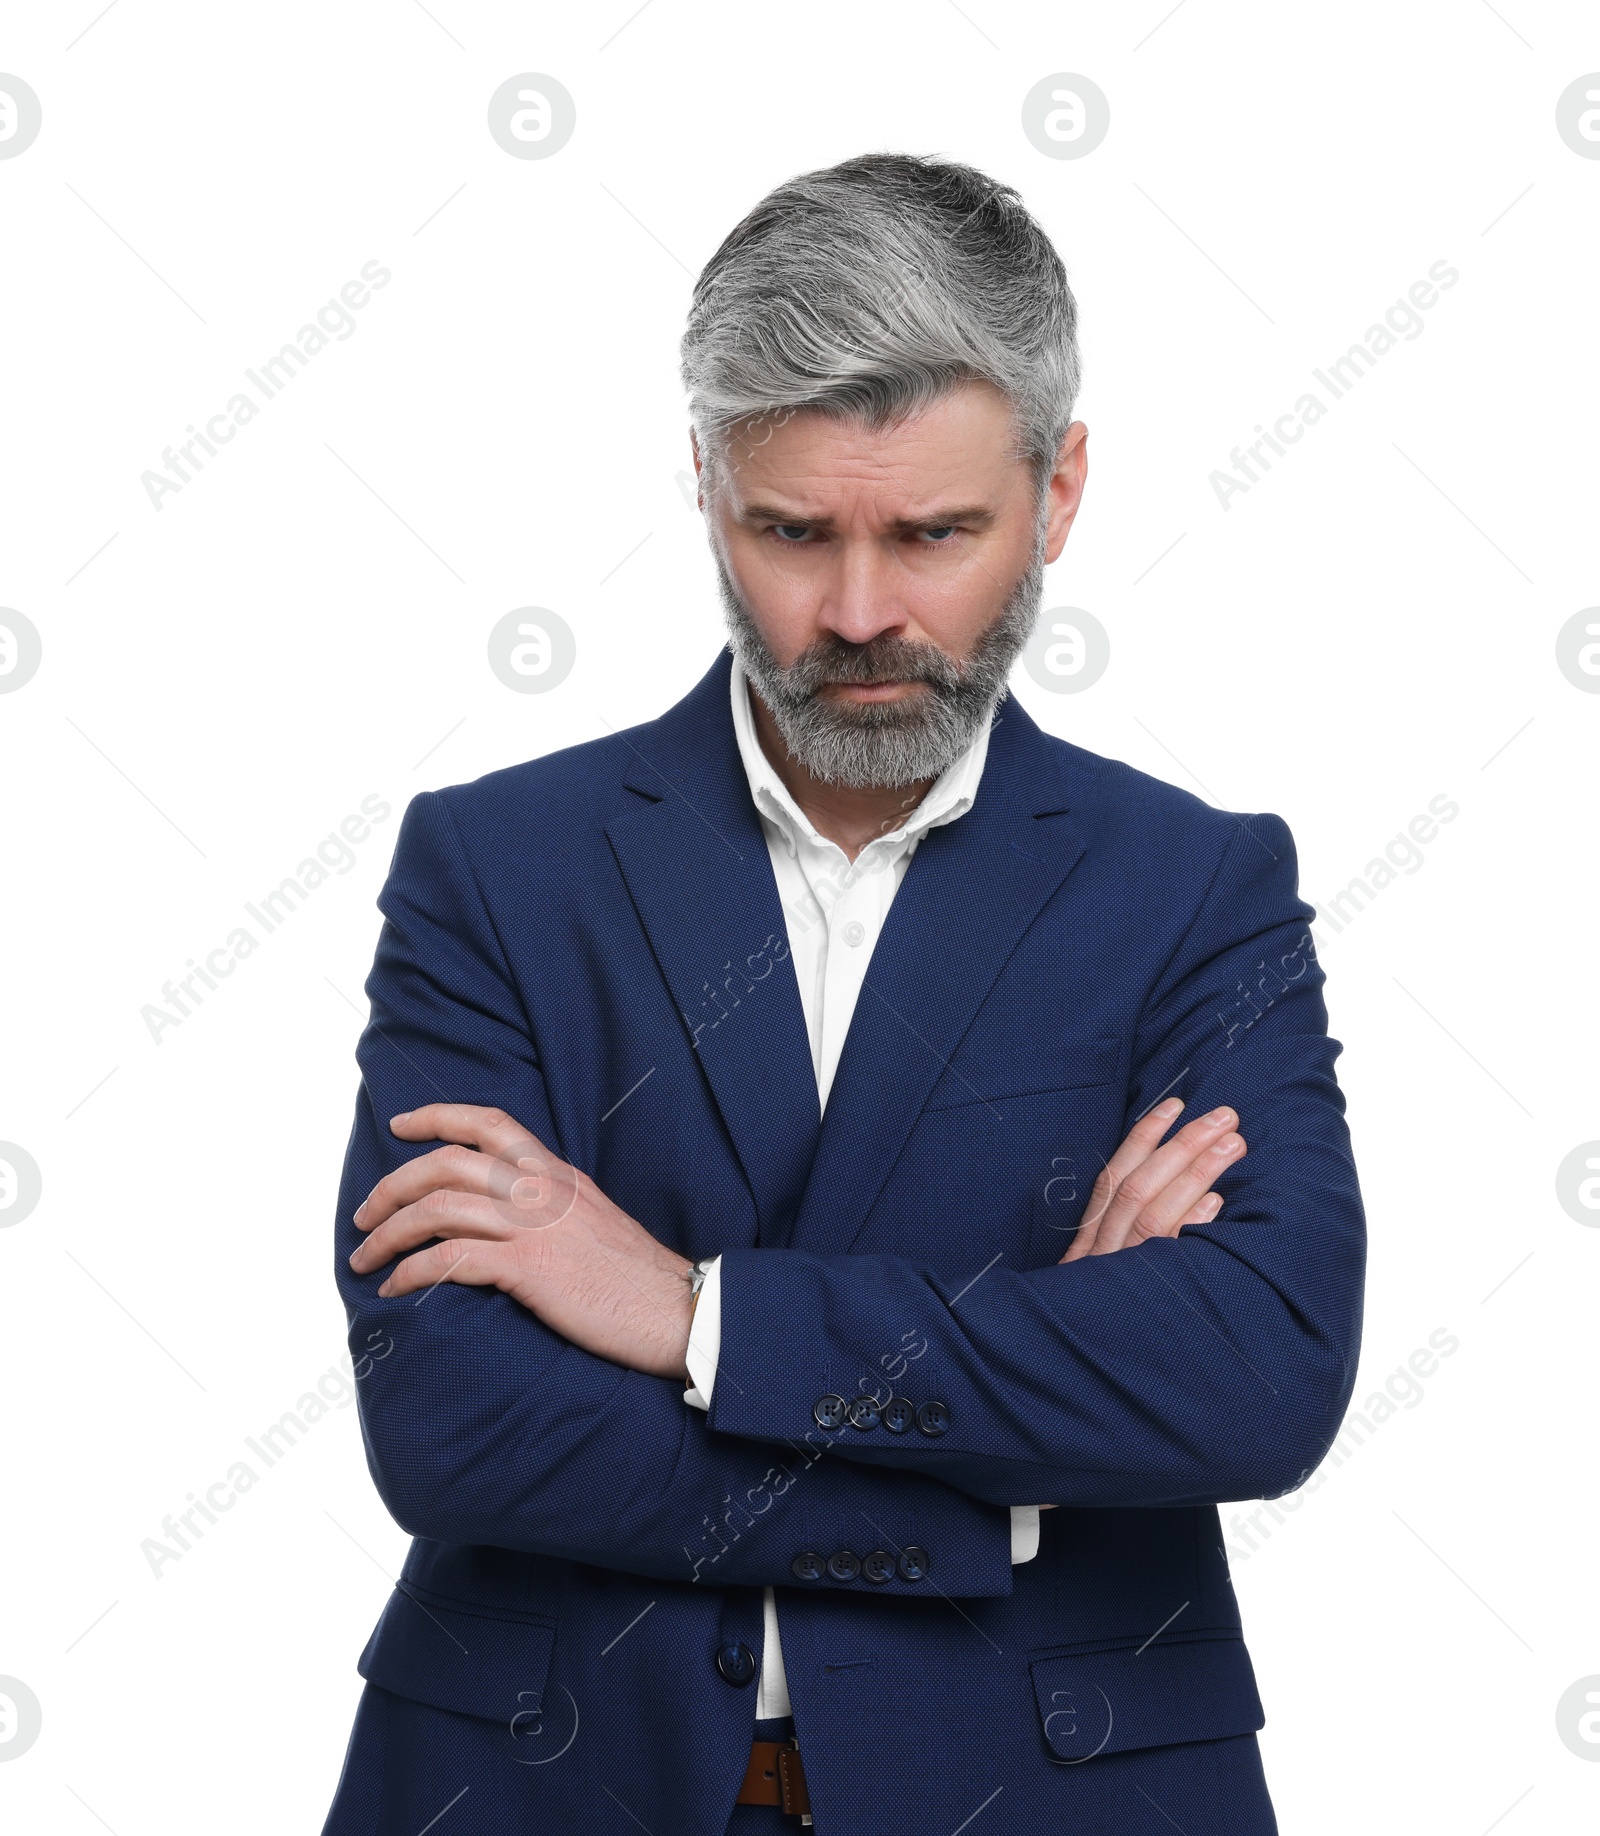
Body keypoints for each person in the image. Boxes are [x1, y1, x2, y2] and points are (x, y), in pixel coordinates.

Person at [321, 151, 1364, 1836]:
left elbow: (1258, 1371)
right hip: (543, 1784)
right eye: (791, 532)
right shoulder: (496, 865)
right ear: (706, 481)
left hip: (1056, 1788)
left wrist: (686, 1316)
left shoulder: (1194, 888)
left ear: (1063, 489)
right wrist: (1012, 1457)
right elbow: (454, 1421)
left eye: (937, 533)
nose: (862, 613)